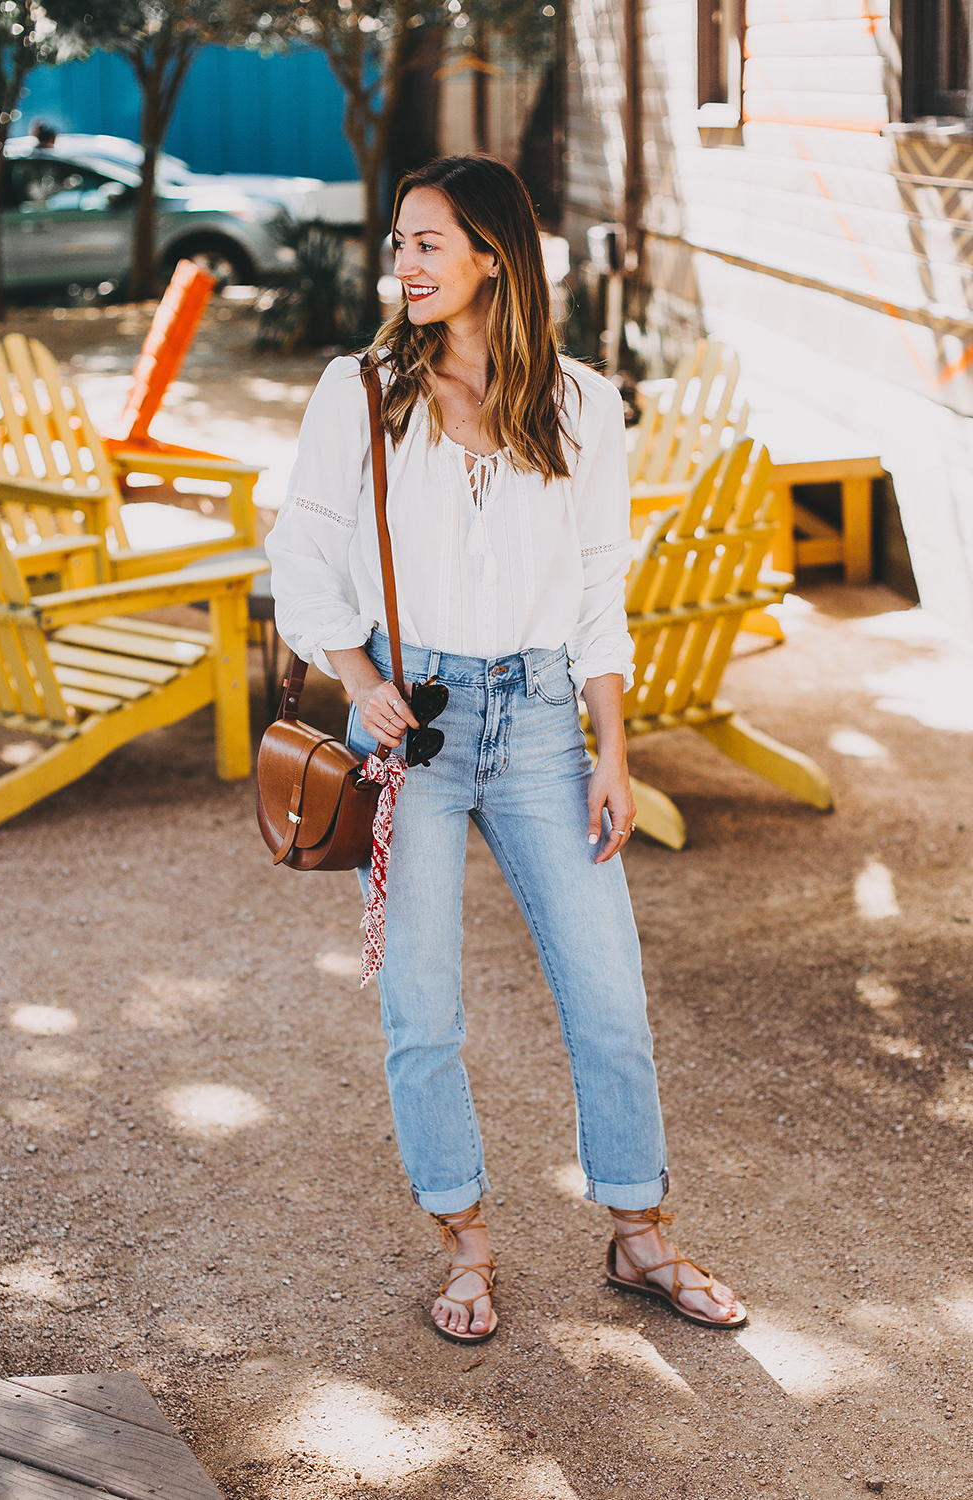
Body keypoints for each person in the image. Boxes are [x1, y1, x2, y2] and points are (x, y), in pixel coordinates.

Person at [266, 155, 746, 1343]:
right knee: (421, 1010)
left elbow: (597, 596)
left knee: (610, 997)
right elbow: (302, 559)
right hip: (412, 724)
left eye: (429, 242)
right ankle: (465, 1243)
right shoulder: (361, 389)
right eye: (399, 244)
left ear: (493, 255)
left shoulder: (582, 403)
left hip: (538, 723)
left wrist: (612, 751)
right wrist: (360, 676)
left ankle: (640, 1236)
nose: (404, 265)